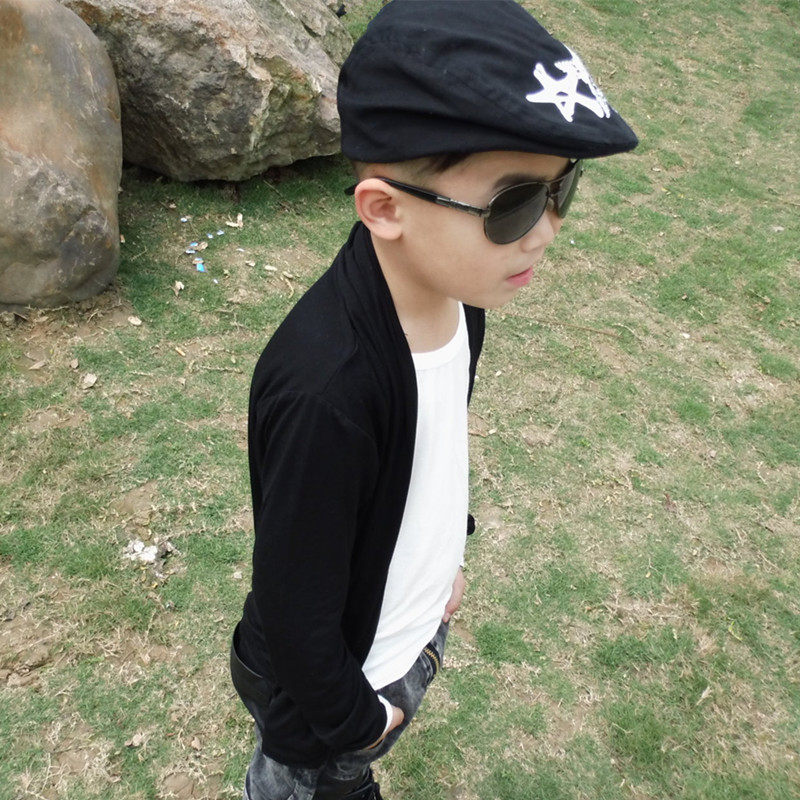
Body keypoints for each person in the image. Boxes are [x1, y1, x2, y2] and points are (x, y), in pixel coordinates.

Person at [230, 2, 638, 798]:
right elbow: (293, 603)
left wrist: (448, 552)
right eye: (514, 204)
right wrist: (358, 722)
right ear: (385, 209)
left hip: (403, 630)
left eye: (562, 189)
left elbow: (432, 446)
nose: (546, 230)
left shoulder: (459, 301)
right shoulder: (327, 390)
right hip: (331, 700)